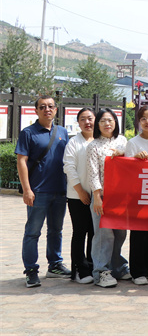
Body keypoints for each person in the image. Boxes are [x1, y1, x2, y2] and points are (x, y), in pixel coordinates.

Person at [16, 94, 71, 288]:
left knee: (56, 231)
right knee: (32, 232)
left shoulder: (62, 132)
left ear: (56, 109)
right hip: (38, 192)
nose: (47, 109)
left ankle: (55, 265)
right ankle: (31, 270)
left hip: (60, 191)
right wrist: (26, 189)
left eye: (50, 106)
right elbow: (21, 161)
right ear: (36, 110)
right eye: (42, 107)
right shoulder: (28, 133)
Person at [86, 108, 129, 288]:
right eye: (103, 121)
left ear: (116, 123)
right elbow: (93, 173)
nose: (107, 124)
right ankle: (100, 272)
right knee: (104, 235)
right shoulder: (93, 146)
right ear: (97, 124)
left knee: (120, 233)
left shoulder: (123, 141)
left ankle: (116, 266)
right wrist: (96, 197)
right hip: (102, 196)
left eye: (110, 120)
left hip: (121, 198)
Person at [124, 105, 148, 286]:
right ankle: (137, 271)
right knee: (139, 233)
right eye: (143, 118)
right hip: (138, 195)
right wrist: (135, 159)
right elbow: (126, 170)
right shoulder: (133, 143)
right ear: (138, 122)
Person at [62, 107, 95, 284]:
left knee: (94, 233)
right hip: (77, 196)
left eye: (90, 118)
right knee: (80, 232)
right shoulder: (74, 142)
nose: (87, 122)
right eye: (83, 119)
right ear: (78, 123)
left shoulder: (100, 141)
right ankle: (79, 270)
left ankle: (92, 266)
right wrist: (81, 192)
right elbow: (69, 168)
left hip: (97, 196)